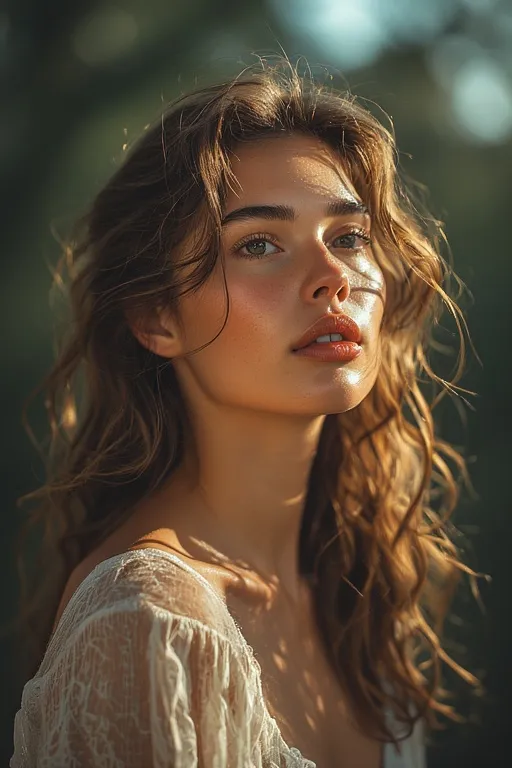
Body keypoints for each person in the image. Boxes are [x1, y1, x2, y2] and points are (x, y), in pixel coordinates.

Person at [9, 59, 479, 767]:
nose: (334, 278)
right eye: (259, 244)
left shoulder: (354, 596)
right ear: (155, 317)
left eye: (349, 236)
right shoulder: (146, 624)